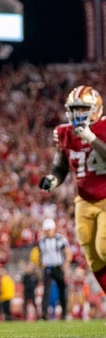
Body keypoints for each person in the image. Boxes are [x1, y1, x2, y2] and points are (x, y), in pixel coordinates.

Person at [38, 85, 106, 305]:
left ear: (96, 109)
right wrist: (53, 180)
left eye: (83, 108)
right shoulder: (64, 132)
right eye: (74, 109)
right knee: (94, 259)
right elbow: (61, 167)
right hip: (84, 200)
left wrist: (91, 138)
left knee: (104, 246)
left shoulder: (103, 127)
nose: (78, 114)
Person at [35, 218, 72, 320]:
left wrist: (66, 264)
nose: (48, 232)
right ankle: (44, 314)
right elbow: (39, 255)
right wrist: (39, 268)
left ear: (53, 229)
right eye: (46, 230)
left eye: (49, 230)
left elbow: (67, 252)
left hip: (58, 267)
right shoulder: (41, 241)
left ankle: (64, 313)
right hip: (47, 267)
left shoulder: (60, 239)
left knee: (62, 290)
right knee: (46, 291)